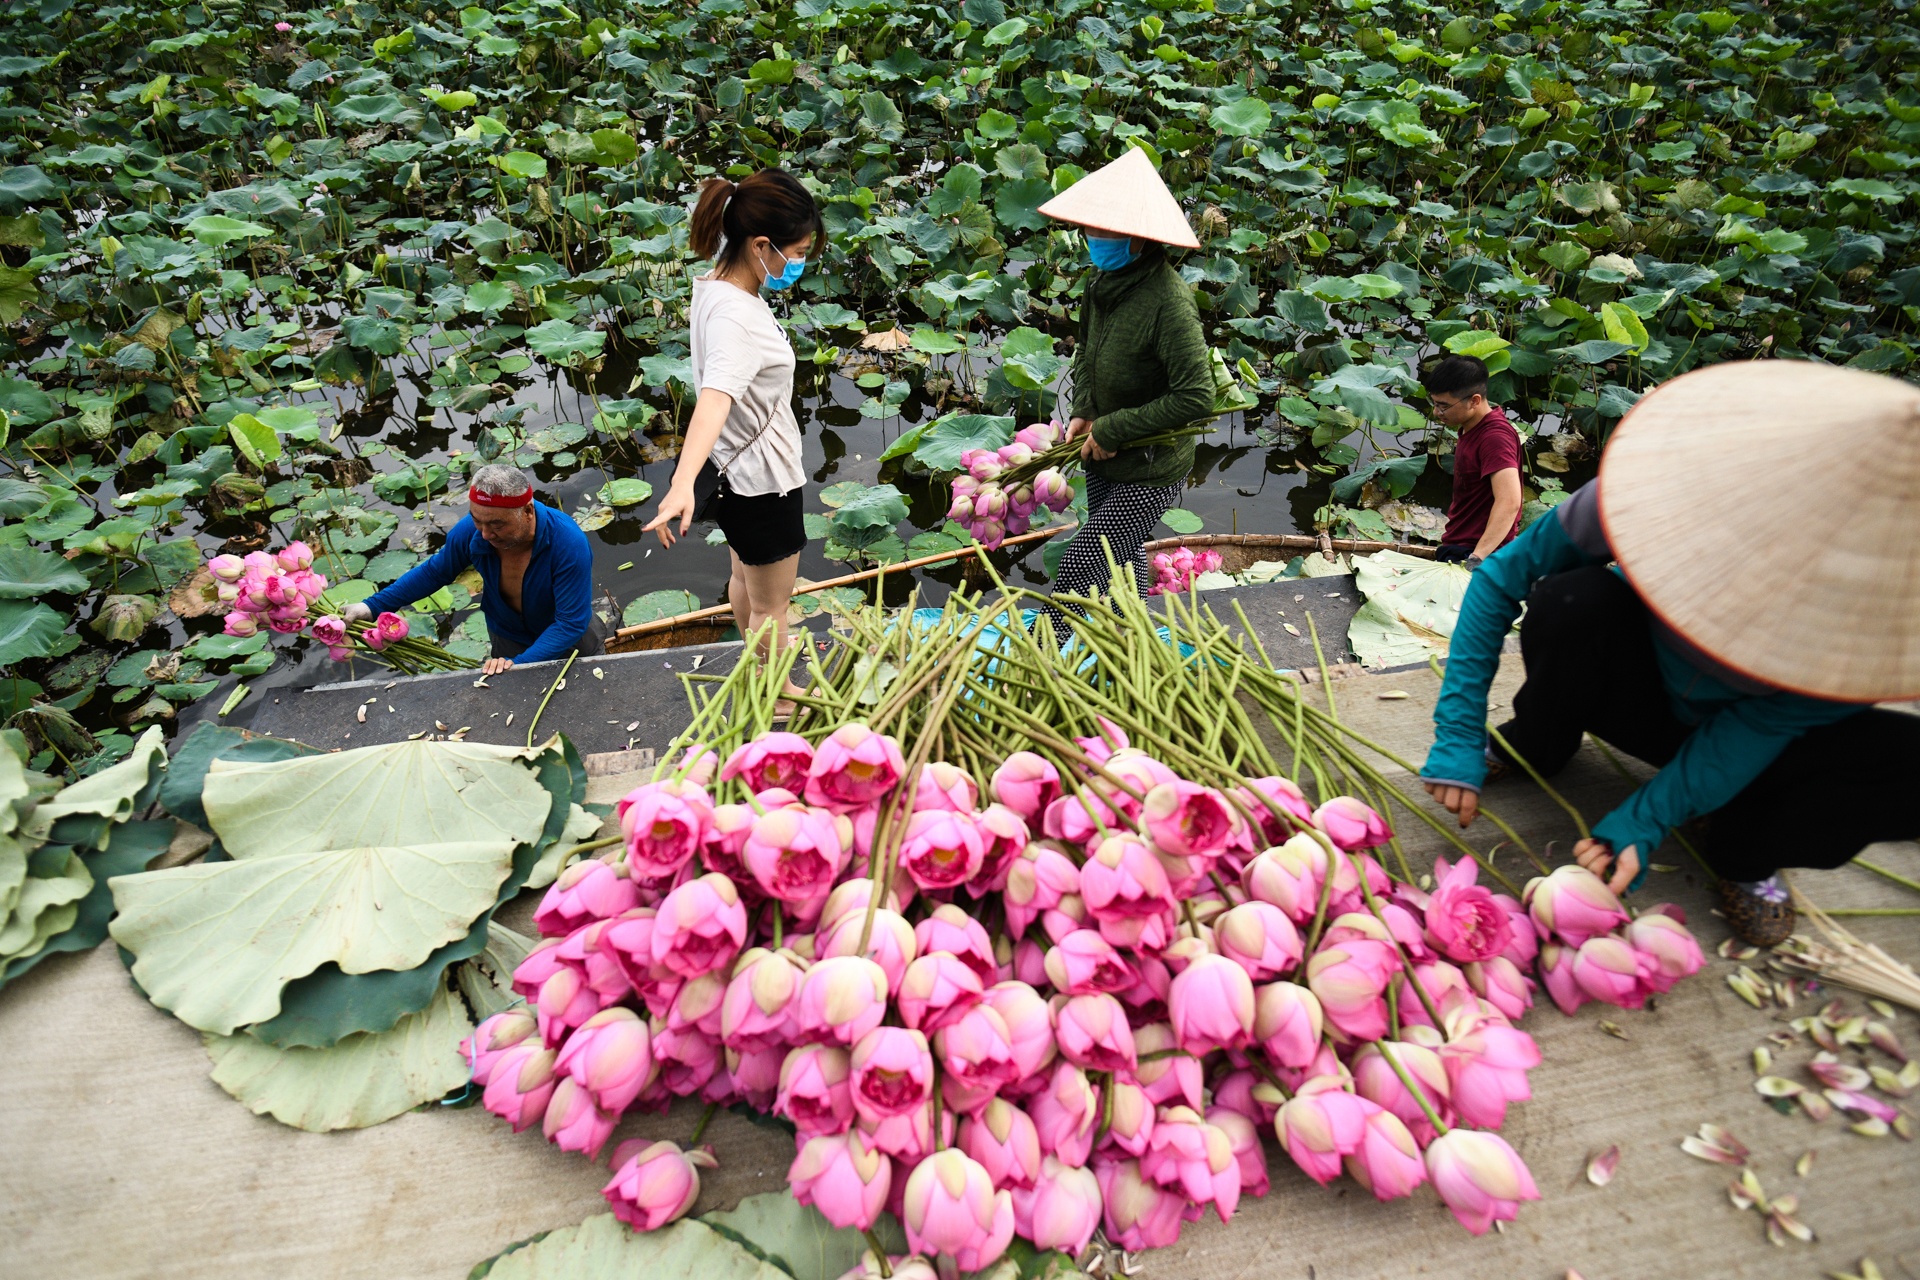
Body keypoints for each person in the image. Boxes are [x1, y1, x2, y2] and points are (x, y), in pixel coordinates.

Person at [1419, 361, 1920, 946]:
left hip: (1752, 740)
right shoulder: (1661, 488)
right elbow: (1502, 579)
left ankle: (1743, 848)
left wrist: (1648, 816)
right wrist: (1456, 728)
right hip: (1639, 691)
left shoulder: (1889, 624)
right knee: (1570, 600)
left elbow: (1758, 725)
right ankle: (1536, 741)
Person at [645, 168, 821, 702]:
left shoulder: (715, 289)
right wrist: (681, 481)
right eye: (799, 250)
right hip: (764, 480)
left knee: (744, 580)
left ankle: (758, 675)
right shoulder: (739, 319)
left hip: (735, 474)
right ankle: (782, 696)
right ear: (761, 244)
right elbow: (715, 397)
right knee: (774, 604)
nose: (802, 262)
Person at [1036, 147, 1213, 606]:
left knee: (1081, 563)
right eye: (1090, 227)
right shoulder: (1100, 284)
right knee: (1125, 552)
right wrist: (1086, 409)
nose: (1092, 235)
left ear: (1138, 238)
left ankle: (1045, 651)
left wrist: (1115, 426)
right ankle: (1131, 627)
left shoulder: (1169, 305)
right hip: (1103, 453)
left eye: (1103, 229)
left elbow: (1196, 397)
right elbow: (1086, 354)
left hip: (1151, 466)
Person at [347, 463, 598, 676]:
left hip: (567, 643)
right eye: (477, 520)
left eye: (497, 524)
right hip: (507, 636)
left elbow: (568, 624)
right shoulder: (472, 531)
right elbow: (436, 572)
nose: (485, 534)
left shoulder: (567, 542)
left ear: (527, 511)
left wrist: (517, 666)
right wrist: (372, 606)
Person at [1422, 354, 1522, 568]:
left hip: (1474, 552)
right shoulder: (1471, 426)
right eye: (1435, 403)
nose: (1437, 412)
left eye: (1444, 406)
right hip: (1459, 542)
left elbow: (1510, 501)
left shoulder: (1494, 438)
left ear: (1474, 401)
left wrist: (1477, 558)